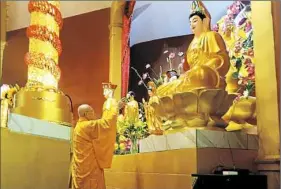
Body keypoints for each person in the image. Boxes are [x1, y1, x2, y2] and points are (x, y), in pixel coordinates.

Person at [156, 0, 230, 97]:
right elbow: (188, 69)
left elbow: (220, 60)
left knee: (199, 74)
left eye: (195, 20)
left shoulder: (211, 36)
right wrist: (188, 74)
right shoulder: (191, 45)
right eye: (190, 22)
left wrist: (202, 69)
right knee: (161, 90)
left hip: (208, 78)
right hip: (192, 79)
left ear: (204, 21)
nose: (192, 25)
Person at [71, 83, 118, 189]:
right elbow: (107, 122)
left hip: (79, 169)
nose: (94, 114)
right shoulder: (87, 126)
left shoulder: (78, 126)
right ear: (86, 114)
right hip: (89, 170)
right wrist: (111, 102)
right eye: (92, 112)